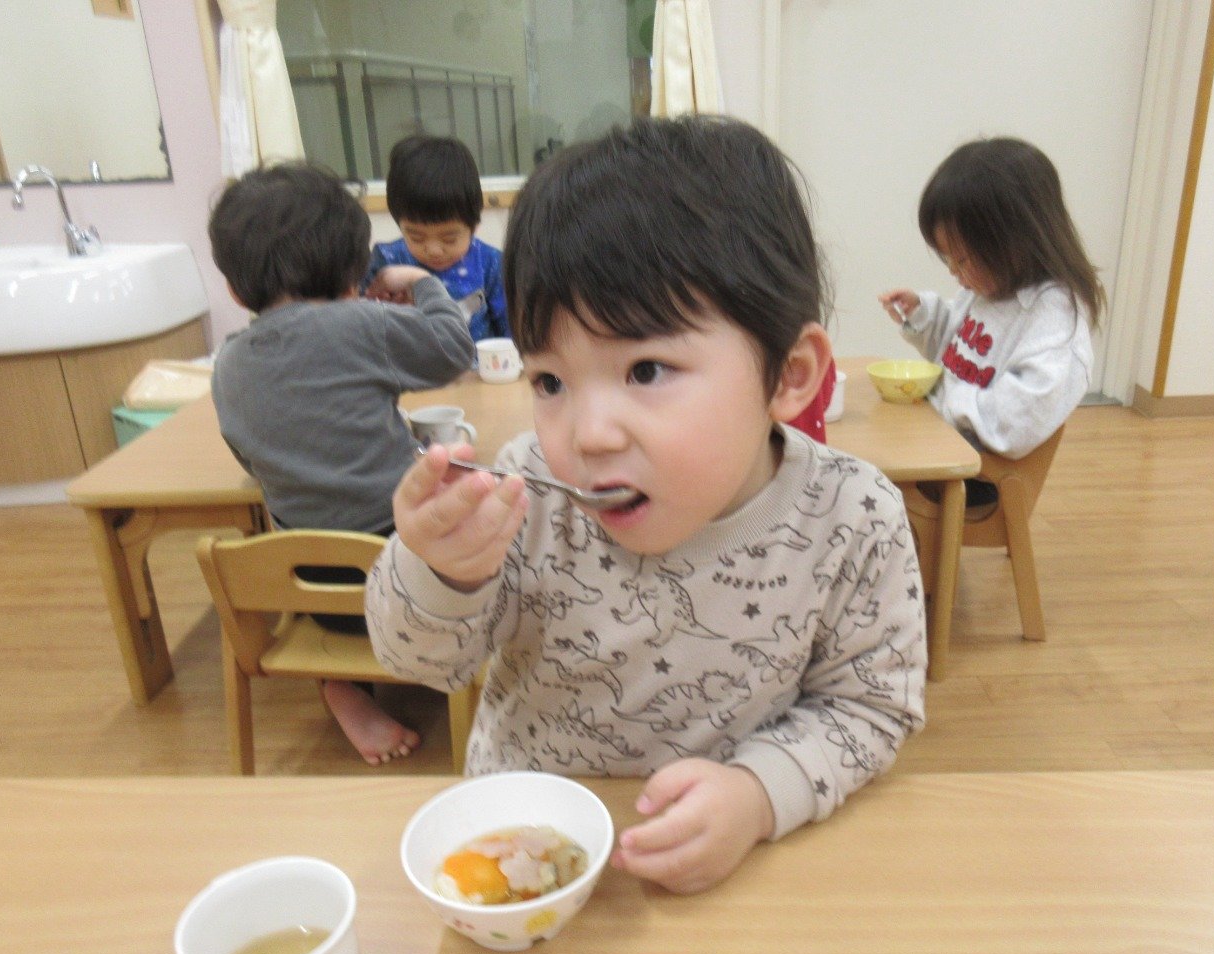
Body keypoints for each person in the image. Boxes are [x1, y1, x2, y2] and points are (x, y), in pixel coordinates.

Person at [365, 116, 926, 895]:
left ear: (789, 375)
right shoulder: (526, 492)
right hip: (522, 859)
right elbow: (418, 663)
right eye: (551, 381)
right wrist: (442, 572)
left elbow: (870, 709)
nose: (588, 434)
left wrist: (759, 794)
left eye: (647, 370)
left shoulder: (853, 519)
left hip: (737, 874)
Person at [208, 161, 475, 766]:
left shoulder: (228, 364)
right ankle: (458, 663)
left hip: (312, 590)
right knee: (481, 503)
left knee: (292, 516)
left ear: (235, 289)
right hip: (404, 574)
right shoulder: (361, 323)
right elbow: (455, 348)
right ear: (354, 272)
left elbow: (246, 455)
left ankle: (340, 684)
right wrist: (423, 284)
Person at [880, 137, 1104, 505]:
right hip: (947, 442)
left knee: (868, 477)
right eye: (947, 259)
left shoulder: (1053, 321)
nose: (953, 271)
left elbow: (1016, 422)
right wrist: (922, 314)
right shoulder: (990, 289)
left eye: (962, 260)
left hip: (980, 475)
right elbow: (957, 348)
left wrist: (940, 396)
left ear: (1015, 243)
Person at [361, 135, 509, 358]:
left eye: (449, 239)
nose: (434, 250)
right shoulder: (387, 259)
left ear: (474, 224)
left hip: (476, 373)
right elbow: (361, 324)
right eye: (416, 237)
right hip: (408, 374)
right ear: (399, 224)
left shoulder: (491, 263)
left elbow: (512, 331)